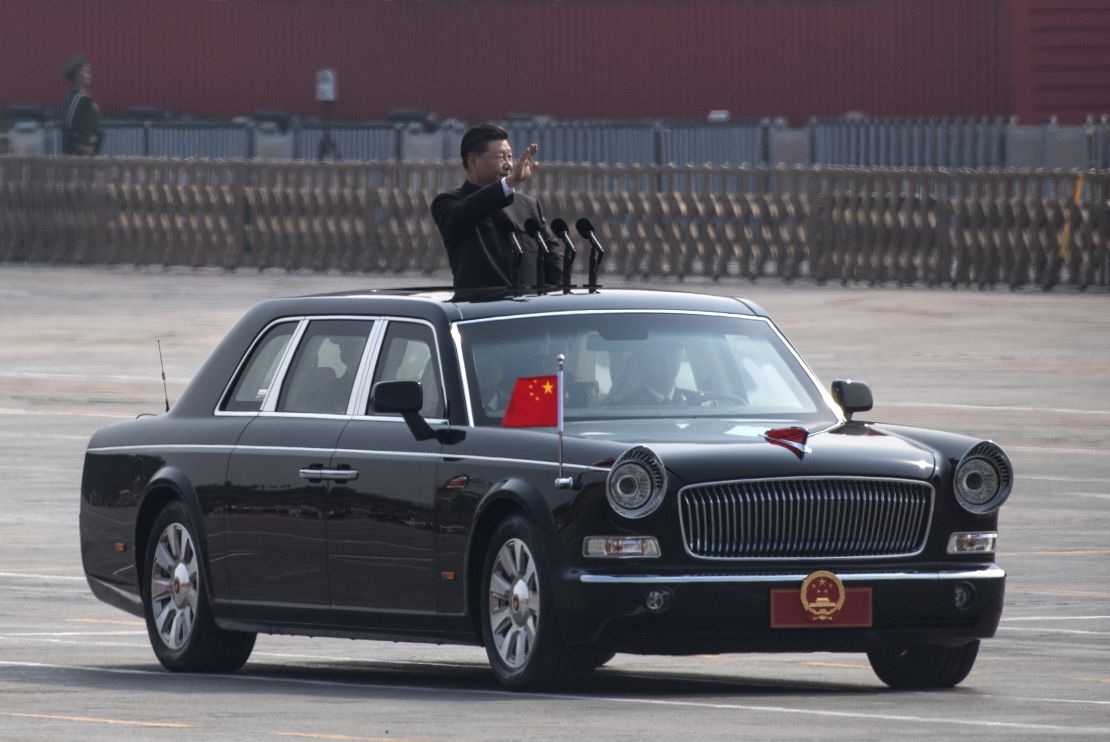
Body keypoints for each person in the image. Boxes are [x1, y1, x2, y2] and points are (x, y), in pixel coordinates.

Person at [431, 124, 561, 293]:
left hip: (529, 309)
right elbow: (470, 210)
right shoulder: (449, 203)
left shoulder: (528, 206)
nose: (508, 165)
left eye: (510, 157)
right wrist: (509, 183)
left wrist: (557, 294)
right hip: (482, 311)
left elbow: (553, 254)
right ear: (473, 160)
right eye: (501, 157)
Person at [59, 52, 104, 156]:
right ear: (78, 75)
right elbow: (68, 127)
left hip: (90, 153)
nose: (89, 74)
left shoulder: (85, 98)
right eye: (86, 71)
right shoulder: (78, 99)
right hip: (79, 155)